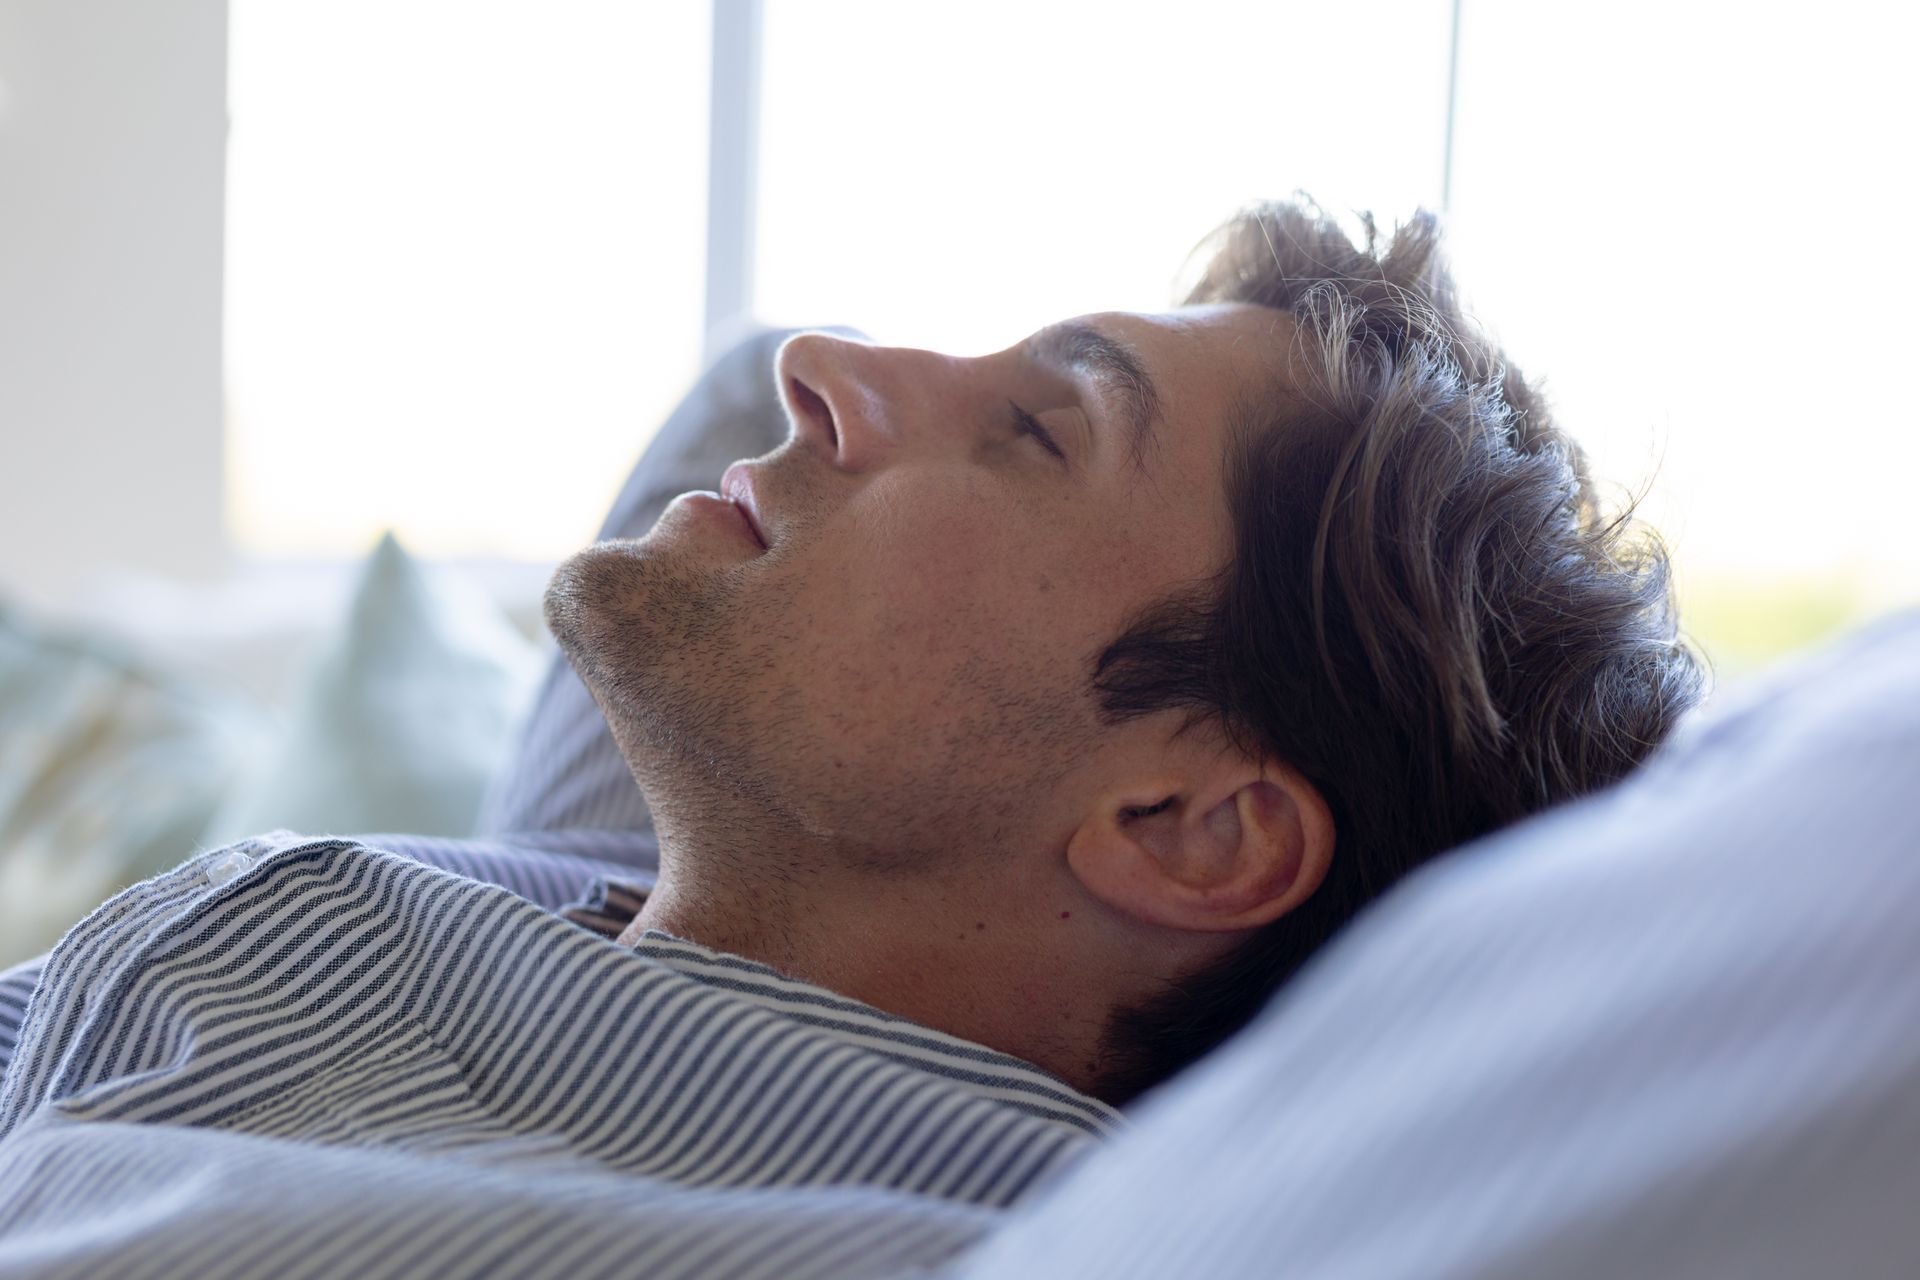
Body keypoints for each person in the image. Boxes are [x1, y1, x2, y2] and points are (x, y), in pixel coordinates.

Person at [0, 197, 1702, 1277]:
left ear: (1188, 823)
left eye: (1038, 429)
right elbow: (759, 371)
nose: (832, 372)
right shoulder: (657, 867)